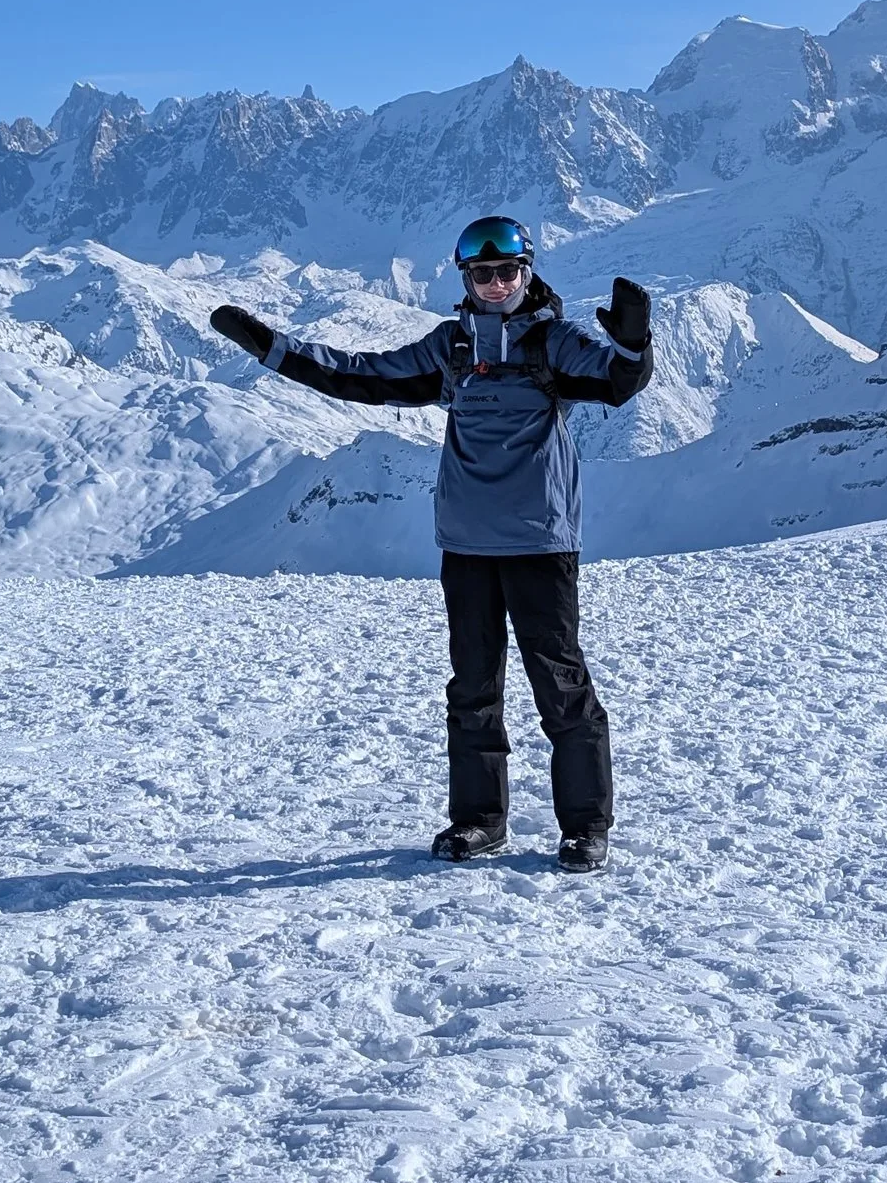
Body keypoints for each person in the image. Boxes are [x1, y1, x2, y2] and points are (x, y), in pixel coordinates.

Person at [209, 216, 653, 871]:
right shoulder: (450, 349)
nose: (497, 283)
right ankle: (479, 822)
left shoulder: (554, 343)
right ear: (465, 278)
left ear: (527, 274)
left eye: (509, 272)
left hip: (539, 543)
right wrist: (271, 349)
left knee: (559, 685)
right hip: (467, 544)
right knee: (473, 686)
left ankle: (586, 827)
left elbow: (618, 384)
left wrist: (635, 346)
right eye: (482, 274)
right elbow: (360, 375)